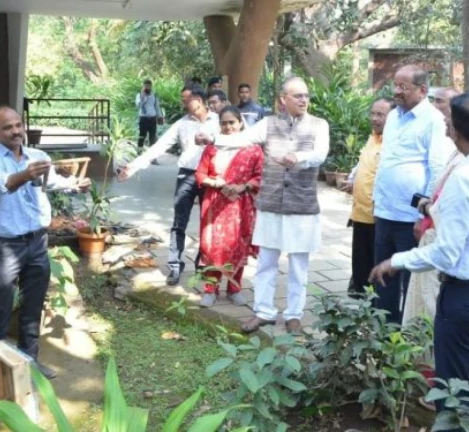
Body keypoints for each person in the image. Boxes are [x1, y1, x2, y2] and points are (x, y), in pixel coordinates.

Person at [370, 93, 469, 412]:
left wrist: (396, 261)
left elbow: (445, 253)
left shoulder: (465, 178)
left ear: (455, 130)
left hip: (464, 298)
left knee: (450, 393)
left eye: (448, 121)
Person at [0, 106, 91, 385]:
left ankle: (30, 359)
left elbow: (51, 182)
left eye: (18, 125)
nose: (16, 131)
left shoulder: (38, 156)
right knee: (1, 307)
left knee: (33, 305)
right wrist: (26, 175)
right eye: (7, 127)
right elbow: (6, 184)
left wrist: (77, 184)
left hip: (38, 242)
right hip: (7, 245)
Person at [239, 76, 330, 335]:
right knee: (266, 262)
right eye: (298, 95)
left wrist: (298, 156)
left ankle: (293, 315)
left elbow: (320, 154)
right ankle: (263, 312)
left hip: (302, 206)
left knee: (298, 266)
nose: (304, 100)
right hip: (271, 203)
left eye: (306, 95)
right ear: (283, 99)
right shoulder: (268, 124)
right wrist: (212, 138)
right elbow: (241, 139)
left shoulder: (319, 125)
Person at [372, 65, 454, 324]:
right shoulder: (393, 117)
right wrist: (377, 201)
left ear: (422, 90)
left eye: (403, 87)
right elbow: (387, 160)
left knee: (411, 281)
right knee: (383, 279)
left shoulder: (433, 120)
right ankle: (385, 330)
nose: (397, 91)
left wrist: (424, 216)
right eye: (395, 85)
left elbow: (437, 168)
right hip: (385, 211)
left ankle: (408, 335)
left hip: (410, 218)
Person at [118, 86, 220, 285]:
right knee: (179, 222)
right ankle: (174, 265)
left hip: (210, 177)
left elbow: (234, 142)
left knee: (208, 222)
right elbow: (159, 147)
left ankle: (202, 265)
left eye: (186, 99)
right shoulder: (182, 124)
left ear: (199, 100)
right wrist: (134, 166)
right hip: (187, 175)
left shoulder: (217, 121)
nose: (183, 103)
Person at [402, 87, 462, 325]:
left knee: (431, 302)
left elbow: (447, 204)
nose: (438, 111)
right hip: (432, 232)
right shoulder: (456, 151)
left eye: (441, 102)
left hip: (442, 239)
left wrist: (425, 212)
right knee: (422, 299)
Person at [194, 106, 264, 308]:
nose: (228, 127)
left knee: (238, 245)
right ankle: (210, 289)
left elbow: (260, 176)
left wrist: (244, 186)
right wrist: (214, 182)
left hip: (241, 204)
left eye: (232, 122)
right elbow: (200, 174)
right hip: (215, 202)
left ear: (240, 123)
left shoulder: (253, 149)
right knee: (213, 246)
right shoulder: (212, 148)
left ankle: (234, 288)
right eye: (223, 123)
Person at [342, 97, 393, 298]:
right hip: (360, 213)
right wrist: (352, 179)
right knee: (360, 262)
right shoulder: (373, 138)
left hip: (378, 216)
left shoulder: (393, 143)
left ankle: (374, 305)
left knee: (375, 265)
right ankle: (361, 300)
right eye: (373, 113)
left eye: (380, 114)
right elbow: (363, 164)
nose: (374, 118)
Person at [135, 79, 164, 149]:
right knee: (142, 136)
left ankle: (152, 154)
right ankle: (139, 151)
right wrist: (143, 99)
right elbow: (138, 105)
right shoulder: (139, 95)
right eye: (146, 86)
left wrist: (160, 116)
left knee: (152, 137)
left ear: (151, 86)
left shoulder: (154, 95)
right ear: (143, 86)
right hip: (143, 118)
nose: (147, 87)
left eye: (149, 86)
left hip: (152, 118)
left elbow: (157, 106)